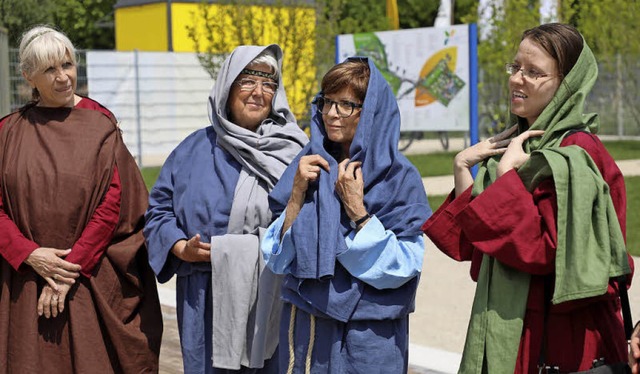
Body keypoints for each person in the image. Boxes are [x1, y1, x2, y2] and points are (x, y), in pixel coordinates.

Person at [422, 23, 633, 373]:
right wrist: (463, 167)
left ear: (566, 84)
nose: (518, 80)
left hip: (558, 339)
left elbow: (547, 252)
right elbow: (476, 246)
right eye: (516, 67)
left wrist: (506, 178)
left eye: (534, 72)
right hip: (513, 323)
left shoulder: (578, 154)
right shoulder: (518, 146)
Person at [0, 25, 163, 373]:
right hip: (25, 279)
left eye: (68, 65)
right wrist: (28, 253)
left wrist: (66, 270)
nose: (63, 77)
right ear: (28, 75)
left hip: (87, 276)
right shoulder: (8, 132)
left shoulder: (100, 122)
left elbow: (114, 203)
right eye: (49, 69)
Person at [143, 44, 308, 374]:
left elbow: (310, 224)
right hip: (204, 301)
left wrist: (247, 250)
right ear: (227, 86)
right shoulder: (192, 150)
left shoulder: (296, 154)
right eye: (248, 80)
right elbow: (158, 210)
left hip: (272, 298)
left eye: (268, 83)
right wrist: (179, 248)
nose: (258, 92)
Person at [261, 58, 431, 373]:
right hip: (308, 331)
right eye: (327, 102)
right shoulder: (307, 165)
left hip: (370, 335)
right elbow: (278, 259)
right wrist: (297, 194)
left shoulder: (398, 177)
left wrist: (358, 211)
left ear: (371, 113)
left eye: (346, 105)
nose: (331, 114)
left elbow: (405, 265)